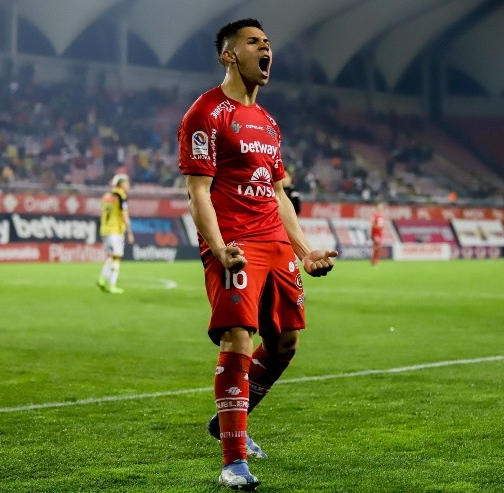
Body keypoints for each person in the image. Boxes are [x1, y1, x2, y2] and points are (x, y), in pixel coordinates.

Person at [178, 18, 337, 491]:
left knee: (285, 343)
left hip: (275, 240)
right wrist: (217, 246)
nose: (266, 49)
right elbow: (198, 192)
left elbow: (278, 193)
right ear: (229, 55)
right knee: (238, 338)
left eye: (267, 43)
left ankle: (230, 416)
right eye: (254, 42)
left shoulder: (268, 123)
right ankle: (234, 460)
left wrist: (304, 249)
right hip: (235, 243)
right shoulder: (206, 113)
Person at [96, 173, 134, 293]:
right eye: (126, 183)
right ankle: (110, 284)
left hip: (104, 229)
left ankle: (102, 279)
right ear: (121, 184)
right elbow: (124, 214)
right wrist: (130, 232)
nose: (128, 185)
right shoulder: (121, 195)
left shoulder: (107, 196)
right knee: (116, 257)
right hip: (115, 230)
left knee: (110, 256)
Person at [371, 202, 386, 266]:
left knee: (378, 247)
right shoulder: (375, 216)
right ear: (377, 208)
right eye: (379, 208)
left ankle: (375, 260)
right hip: (375, 233)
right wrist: (378, 227)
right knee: (376, 246)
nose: (381, 209)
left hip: (380, 234)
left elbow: (382, 226)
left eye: (381, 208)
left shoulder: (382, 216)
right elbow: (372, 224)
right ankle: (375, 260)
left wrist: (381, 229)